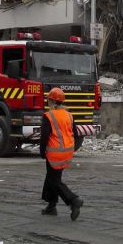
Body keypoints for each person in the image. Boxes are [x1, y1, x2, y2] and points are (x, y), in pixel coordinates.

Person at [40, 88, 83, 220]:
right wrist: (71, 148)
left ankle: (73, 200)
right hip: (66, 152)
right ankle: (51, 206)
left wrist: (42, 152)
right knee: (51, 177)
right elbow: (75, 134)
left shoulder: (49, 116)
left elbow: (45, 137)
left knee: (54, 181)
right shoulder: (69, 115)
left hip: (54, 153)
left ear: (52, 101)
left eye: (49, 100)